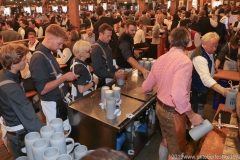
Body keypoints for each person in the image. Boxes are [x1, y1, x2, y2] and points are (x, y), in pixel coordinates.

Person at [142, 27, 203, 160]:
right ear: (188, 43)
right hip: (173, 114)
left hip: (160, 107)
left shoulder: (161, 59)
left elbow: (146, 87)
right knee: (177, 152)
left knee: (166, 140)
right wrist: (192, 116)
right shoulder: (185, 62)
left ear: (171, 40)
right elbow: (178, 95)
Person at [29, 24, 79, 128]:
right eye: (59, 43)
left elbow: (55, 76)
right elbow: (42, 89)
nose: (61, 47)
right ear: (49, 39)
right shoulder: (38, 58)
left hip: (59, 101)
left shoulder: (48, 52)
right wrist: (64, 78)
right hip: (52, 104)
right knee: (58, 134)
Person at [0, 43, 43, 159]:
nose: (26, 62)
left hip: (10, 126)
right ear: (13, 64)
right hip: (20, 132)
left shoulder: (3, 75)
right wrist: (44, 134)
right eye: (24, 60)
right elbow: (28, 117)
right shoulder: (11, 89)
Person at [190, 32, 229, 116]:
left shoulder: (208, 51)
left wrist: (213, 67)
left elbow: (211, 60)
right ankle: (197, 125)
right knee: (195, 109)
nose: (215, 49)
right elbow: (206, 79)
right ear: (204, 44)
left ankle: (200, 121)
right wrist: (222, 90)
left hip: (203, 86)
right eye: (212, 46)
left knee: (201, 103)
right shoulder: (199, 57)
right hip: (196, 87)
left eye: (216, 46)